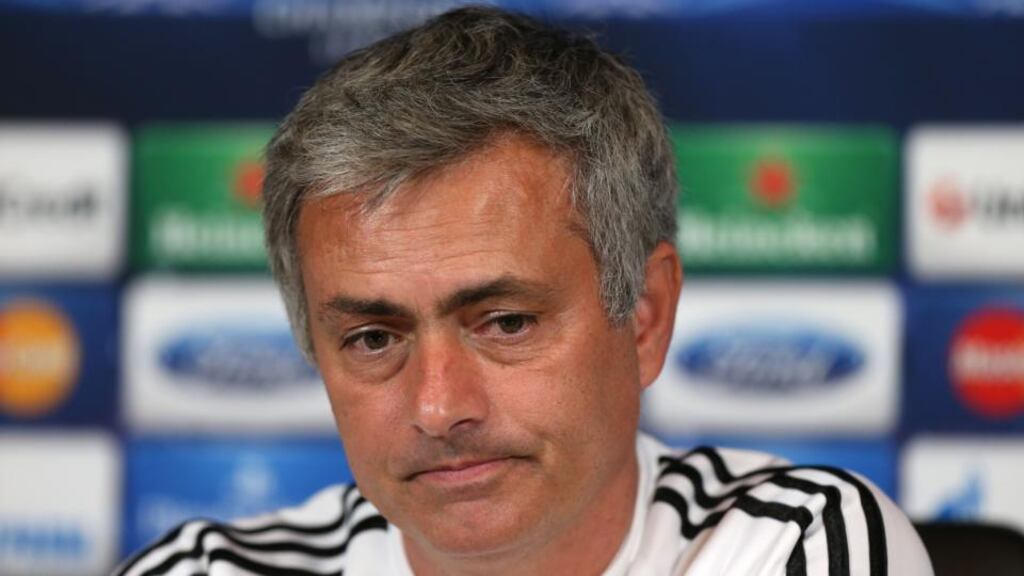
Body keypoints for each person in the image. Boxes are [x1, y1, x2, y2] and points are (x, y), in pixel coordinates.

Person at [116, 7, 933, 576]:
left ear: (644, 317)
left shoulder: (794, 546)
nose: (438, 407)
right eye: (373, 339)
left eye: (504, 322)